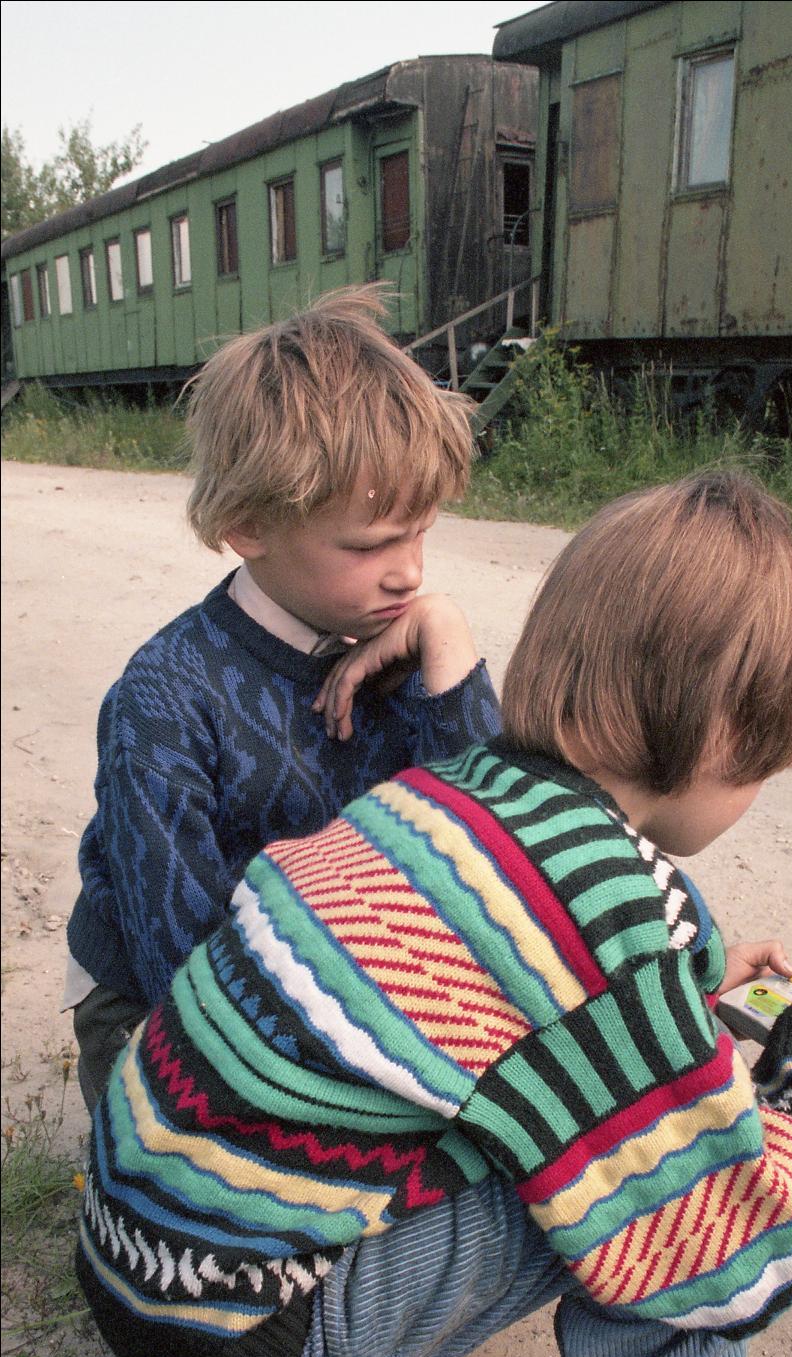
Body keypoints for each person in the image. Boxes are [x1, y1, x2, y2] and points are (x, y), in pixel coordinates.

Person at [75, 472, 792, 1357]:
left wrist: (687, 981)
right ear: (726, 738)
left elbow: (503, 962)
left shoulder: (436, 798)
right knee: (672, 1153)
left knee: (617, 1077)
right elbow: (747, 1213)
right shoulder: (622, 911)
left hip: (142, 1291)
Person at [65, 287, 500, 1113]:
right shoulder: (167, 699)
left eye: (422, 533)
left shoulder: (404, 642)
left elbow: (495, 850)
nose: (410, 573)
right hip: (167, 996)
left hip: (337, 975)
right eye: (370, 546)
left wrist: (448, 647)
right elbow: (175, 957)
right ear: (248, 525)